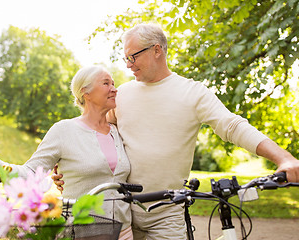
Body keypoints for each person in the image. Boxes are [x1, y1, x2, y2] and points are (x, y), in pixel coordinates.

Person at [50, 23, 299, 240]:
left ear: (157, 50)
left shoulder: (193, 92)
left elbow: (232, 126)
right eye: (126, 58)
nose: (128, 65)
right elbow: (97, 129)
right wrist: (69, 165)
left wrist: (283, 158)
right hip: (121, 210)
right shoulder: (123, 94)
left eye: (133, 57)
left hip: (167, 213)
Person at [0, 65, 134, 240]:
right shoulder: (64, 131)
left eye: (113, 84)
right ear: (86, 92)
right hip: (82, 233)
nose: (114, 89)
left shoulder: (116, 131)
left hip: (124, 232)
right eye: (106, 83)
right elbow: (31, 172)